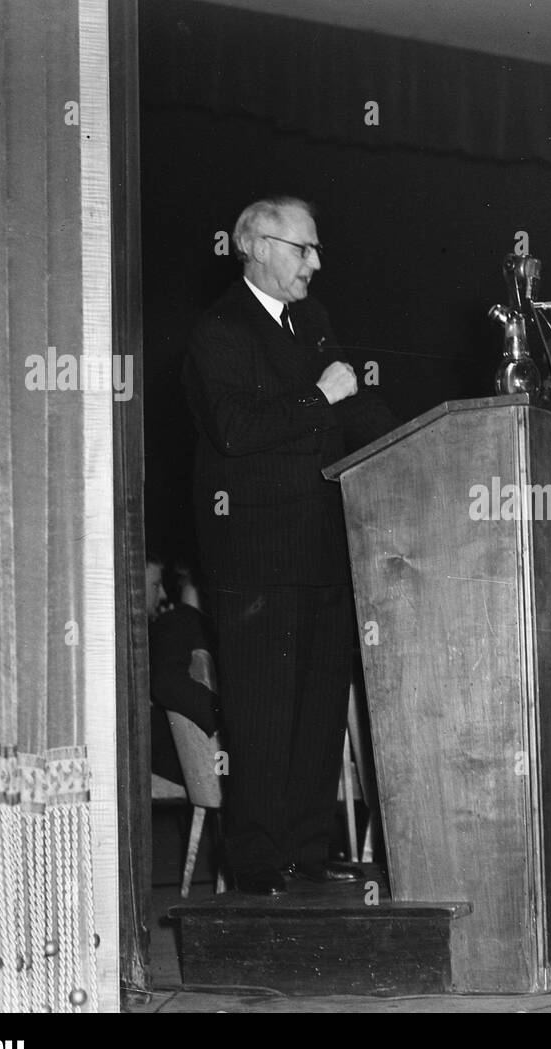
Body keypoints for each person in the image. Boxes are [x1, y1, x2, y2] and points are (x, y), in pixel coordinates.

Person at [184, 196, 397, 895]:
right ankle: (254, 861)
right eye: (302, 248)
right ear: (255, 245)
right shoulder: (219, 329)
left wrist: (409, 430)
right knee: (262, 713)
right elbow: (234, 427)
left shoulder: (314, 323)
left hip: (326, 550)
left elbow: (352, 408)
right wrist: (319, 396)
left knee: (316, 711)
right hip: (257, 558)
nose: (315, 263)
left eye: (316, 249)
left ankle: (307, 848)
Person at [148, 553, 221, 785]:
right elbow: (166, 682)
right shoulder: (183, 618)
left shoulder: (191, 622)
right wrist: (224, 716)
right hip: (192, 759)